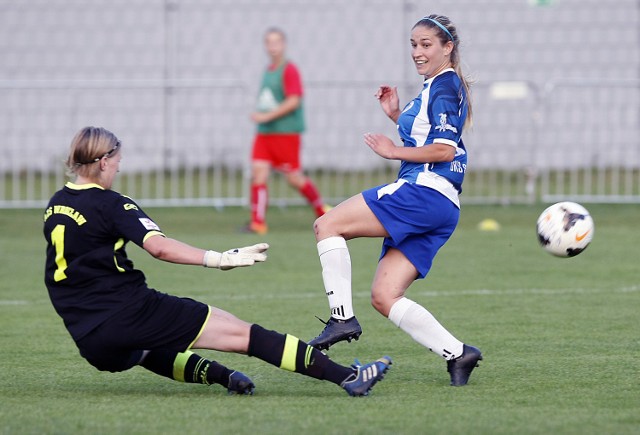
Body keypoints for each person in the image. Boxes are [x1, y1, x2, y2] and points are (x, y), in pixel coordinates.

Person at [43, 126, 391, 397]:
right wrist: (219, 258)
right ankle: (350, 377)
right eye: (117, 162)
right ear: (103, 161)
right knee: (244, 334)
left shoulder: (55, 205)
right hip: (127, 312)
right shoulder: (112, 204)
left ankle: (224, 376)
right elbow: (159, 248)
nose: (118, 168)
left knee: (146, 349)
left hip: (90, 339)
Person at [307, 15, 482, 386]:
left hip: (423, 192)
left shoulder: (445, 86)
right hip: (443, 205)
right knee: (385, 296)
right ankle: (459, 353)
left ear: (448, 47)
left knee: (327, 225)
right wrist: (396, 116)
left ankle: (341, 318)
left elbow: (444, 150)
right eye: (414, 45)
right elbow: (430, 135)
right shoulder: (437, 84)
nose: (417, 52)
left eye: (426, 45)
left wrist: (393, 151)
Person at [245, 27, 330, 235]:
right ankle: (258, 222)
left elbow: (293, 101)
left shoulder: (289, 69)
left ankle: (322, 209)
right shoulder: (269, 69)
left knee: (293, 177)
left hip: (285, 133)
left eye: (276, 42)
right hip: (265, 133)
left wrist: (266, 116)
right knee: (259, 173)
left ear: (283, 45)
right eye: (269, 42)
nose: (272, 46)